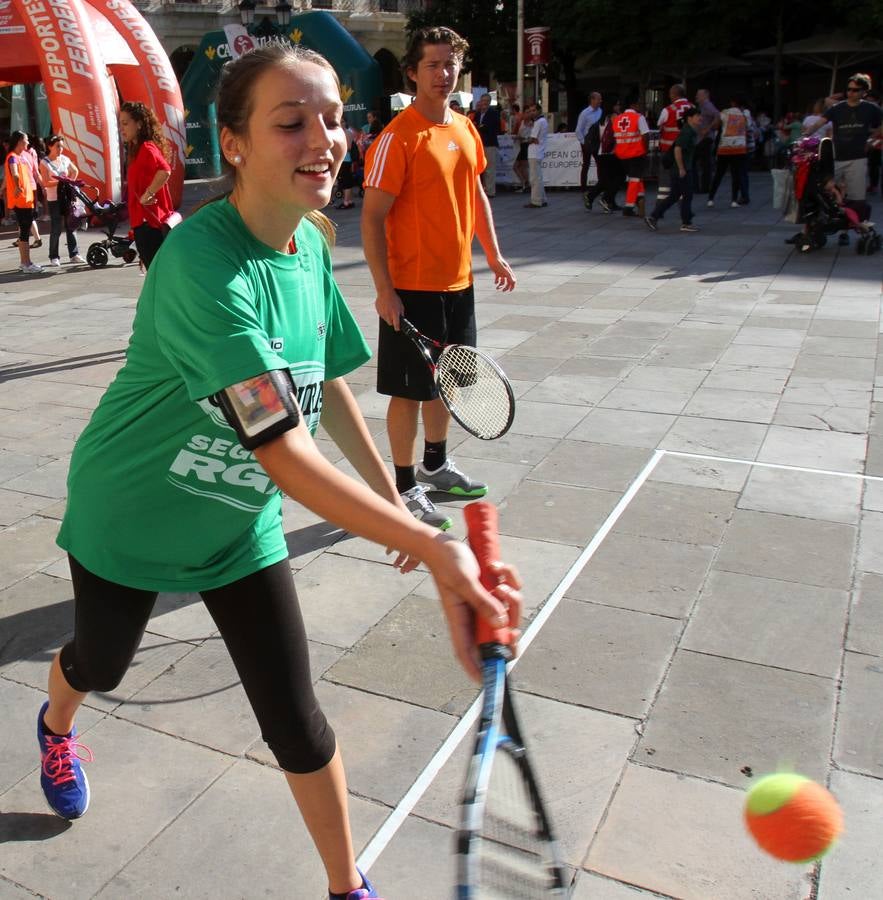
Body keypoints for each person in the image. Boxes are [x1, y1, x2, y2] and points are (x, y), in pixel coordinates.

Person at [35, 44, 522, 900]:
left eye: (332, 118)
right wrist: (434, 548)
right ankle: (56, 724)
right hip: (134, 512)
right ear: (233, 143)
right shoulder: (202, 267)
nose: (323, 139)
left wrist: (392, 496)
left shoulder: (306, 246)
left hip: (239, 526)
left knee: (296, 721)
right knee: (100, 665)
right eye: (291, 122)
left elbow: (326, 383)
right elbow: (282, 448)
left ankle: (345, 886)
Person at [361, 26, 516, 530]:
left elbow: (476, 194)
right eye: (432, 65)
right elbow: (371, 218)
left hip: (458, 284)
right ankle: (404, 485)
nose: (442, 74)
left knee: (447, 386)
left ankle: (435, 465)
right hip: (411, 289)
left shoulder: (466, 128)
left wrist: (493, 255)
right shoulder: (397, 138)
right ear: (413, 72)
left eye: (450, 64)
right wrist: (384, 290)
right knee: (409, 392)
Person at [119, 101, 176, 270]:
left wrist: (148, 194)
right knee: (158, 274)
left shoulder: (146, 148)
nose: (122, 128)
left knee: (159, 276)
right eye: (120, 124)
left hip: (150, 225)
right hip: (144, 225)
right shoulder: (136, 150)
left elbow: (165, 170)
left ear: (139, 124)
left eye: (125, 123)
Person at [645, 106, 702, 233]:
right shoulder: (687, 132)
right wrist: (681, 168)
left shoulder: (690, 130)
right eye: (697, 116)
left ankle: (653, 217)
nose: (700, 118)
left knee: (674, 195)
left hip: (680, 168)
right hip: (682, 169)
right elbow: (677, 149)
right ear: (690, 118)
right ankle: (686, 222)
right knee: (687, 195)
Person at [39, 135, 87, 266]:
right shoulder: (44, 162)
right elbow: (46, 182)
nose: (60, 149)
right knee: (56, 228)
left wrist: (69, 183)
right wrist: (61, 182)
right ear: (50, 146)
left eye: (61, 146)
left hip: (67, 197)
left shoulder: (65, 159)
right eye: (57, 146)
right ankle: (54, 256)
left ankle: (74, 254)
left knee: (71, 225)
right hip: (54, 199)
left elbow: (74, 170)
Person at [4, 131, 43, 274]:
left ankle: (24, 263)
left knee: (25, 231)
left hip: (26, 199)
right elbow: (14, 173)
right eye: (26, 140)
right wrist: (17, 186)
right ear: (19, 141)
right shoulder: (13, 157)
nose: (28, 142)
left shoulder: (21, 157)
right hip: (21, 200)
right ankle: (26, 263)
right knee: (25, 233)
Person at [707, 96, 748, 208]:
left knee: (719, 174)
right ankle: (734, 200)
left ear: (732, 103)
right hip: (739, 148)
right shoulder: (744, 115)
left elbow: (716, 125)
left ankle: (711, 198)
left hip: (725, 147)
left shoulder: (725, 113)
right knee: (736, 175)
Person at [584, 99, 624, 212]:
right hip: (612, 152)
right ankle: (606, 199)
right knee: (619, 177)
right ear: (612, 107)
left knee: (606, 179)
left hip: (602, 152)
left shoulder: (602, 119)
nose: (619, 107)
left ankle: (597, 198)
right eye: (617, 104)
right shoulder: (615, 117)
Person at [612, 97, 649, 217]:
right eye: (638, 104)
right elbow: (645, 135)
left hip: (622, 154)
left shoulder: (617, 119)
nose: (640, 106)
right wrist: (646, 150)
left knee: (636, 178)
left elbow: (616, 136)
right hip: (636, 153)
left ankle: (640, 198)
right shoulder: (639, 117)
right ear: (633, 105)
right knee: (635, 179)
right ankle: (629, 206)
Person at [656, 84, 691, 204]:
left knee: (665, 177)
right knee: (684, 174)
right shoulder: (693, 108)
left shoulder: (668, 110)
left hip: (669, 149)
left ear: (673, 95)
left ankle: (662, 202)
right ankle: (683, 201)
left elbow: (660, 125)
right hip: (686, 150)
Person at [575, 92, 603, 196]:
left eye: (600, 99)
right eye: (598, 99)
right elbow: (578, 130)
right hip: (587, 142)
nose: (600, 101)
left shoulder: (601, 111)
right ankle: (583, 189)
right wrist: (584, 143)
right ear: (592, 100)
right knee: (586, 164)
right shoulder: (584, 113)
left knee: (600, 164)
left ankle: (601, 187)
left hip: (597, 142)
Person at [474, 93, 502, 198]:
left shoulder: (493, 113)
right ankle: (483, 189)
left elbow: (494, 128)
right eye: (483, 100)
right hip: (479, 144)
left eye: (486, 101)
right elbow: (475, 125)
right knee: (480, 168)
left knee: (490, 168)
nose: (484, 103)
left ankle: (490, 192)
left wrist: (481, 127)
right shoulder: (478, 114)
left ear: (489, 102)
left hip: (490, 144)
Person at [693, 88, 720, 193]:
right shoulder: (702, 106)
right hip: (702, 138)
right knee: (704, 164)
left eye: (698, 95)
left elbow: (717, 115)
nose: (696, 97)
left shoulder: (707, 105)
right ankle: (702, 187)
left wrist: (708, 129)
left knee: (702, 163)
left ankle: (702, 187)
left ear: (705, 96)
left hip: (705, 139)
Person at [525, 102, 549, 208]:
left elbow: (533, 138)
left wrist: (527, 139)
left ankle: (536, 200)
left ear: (539, 111)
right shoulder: (541, 121)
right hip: (537, 152)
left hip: (535, 152)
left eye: (534, 110)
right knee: (538, 177)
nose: (532, 113)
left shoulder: (539, 122)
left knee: (534, 178)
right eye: (530, 111)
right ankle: (542, 199)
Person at [336, 116, 358, 210]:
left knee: (346, 181)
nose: (341, 124)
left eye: (343, 121)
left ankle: (347, 202)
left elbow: (348, 147)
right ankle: (349, 201)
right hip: (342, 160)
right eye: (339, 122)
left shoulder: (347, 133)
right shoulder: (340, 132)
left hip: (346, 160)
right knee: (345, 181)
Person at [513, 105, 533, 192]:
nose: (528, 114)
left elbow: (532, 136)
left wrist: (522, 138)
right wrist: (517, 137)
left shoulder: (532, 123)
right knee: (516, 166)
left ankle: (526, 184)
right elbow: (518, 132)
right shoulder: (521, 122)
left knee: (523, 166)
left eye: (529, 112)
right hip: (521, 145)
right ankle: (524, 183)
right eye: (526, 112)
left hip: (527, 145)